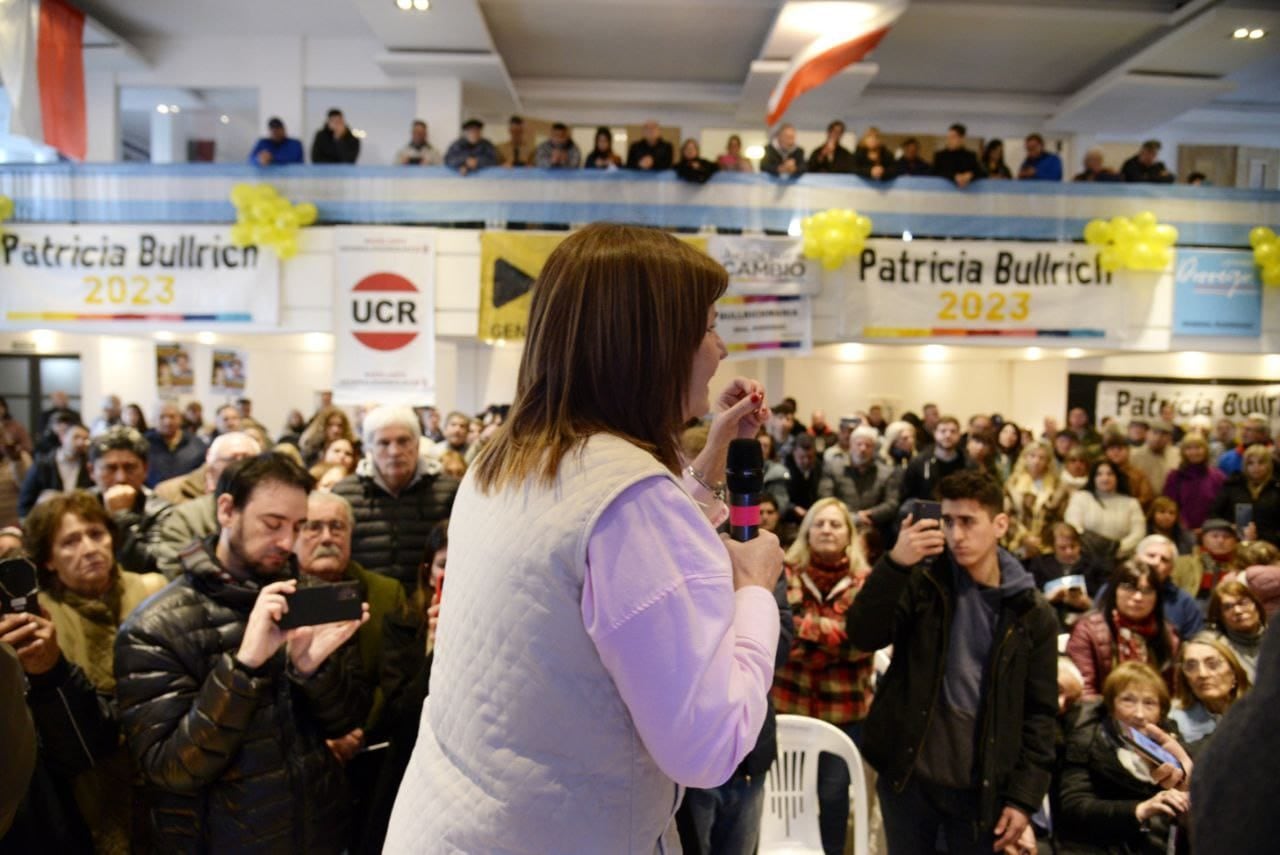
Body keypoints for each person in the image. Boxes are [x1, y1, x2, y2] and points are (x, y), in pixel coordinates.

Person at [383, 223, 785, 852]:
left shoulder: (507, 458)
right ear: (652, 345)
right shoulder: (630, 502)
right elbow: (709, 746)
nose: (721, 349)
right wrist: (755, 590)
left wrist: (707, 458)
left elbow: (605, 543)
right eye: (708, 326)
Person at [115, 453, 370, 852]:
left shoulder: (307, 596)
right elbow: (172, 769)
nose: (287, 542)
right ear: (227, 509)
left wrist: (312, 671)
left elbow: (348, 721)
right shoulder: (154, 628)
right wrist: (243, 668)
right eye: (272, 524)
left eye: (297, 526)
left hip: (317, 832)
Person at [846, 469, 1057, 855]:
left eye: (968, 522)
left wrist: (1023, 798)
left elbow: (1040, 715)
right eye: (948, 521)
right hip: (909, 780)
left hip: (981, 789)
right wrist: (894, 563)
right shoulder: (922, 580)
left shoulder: (1031, 611)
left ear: (1000, 525)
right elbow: (862, 635)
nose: (956, 535)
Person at [7, 492, 166, 853]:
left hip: (160, 777)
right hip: (87, 788)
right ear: (47, 560)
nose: (90, 548)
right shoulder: (41, 620)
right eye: (70, 542)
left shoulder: (153, 590)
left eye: (96, 534)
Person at [772, 498, 871, 855]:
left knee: (833, 804)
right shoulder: (783, 571)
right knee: (785, 801)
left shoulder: (866, 581)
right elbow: (778, 635)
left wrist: (805, 632)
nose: (827, 530)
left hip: (843, 713)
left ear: (849, 534)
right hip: (789, 706)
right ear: (807, 531)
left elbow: (860, 643)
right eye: (820, 523)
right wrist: (834, 636)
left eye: (835, 524)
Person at [1056, 662, 1193, 854]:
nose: (1139, 714)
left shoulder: (1171, 743)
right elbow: (1074, 805)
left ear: (1161, 712)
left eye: (1149, 703)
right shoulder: (1087, 739)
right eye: (1128, 701)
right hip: (1099, 845)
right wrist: (1139, 809)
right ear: (1111, 706)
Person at [331, 406, 458, 594]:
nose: (394, 451)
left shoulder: (448, 492)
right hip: (368, 608)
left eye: (403, 441)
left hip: (429, 606)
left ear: (417, 444)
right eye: (383, 443)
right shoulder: (344, 494)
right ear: (369, 449)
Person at [152, 431, 261, 578]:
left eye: (248, 460)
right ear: (211, 465)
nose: (241, 467)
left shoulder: (270, 509)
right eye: (232, 460)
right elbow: (174, 567)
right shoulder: (183, 511)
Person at [1067, 560, 1180, 696]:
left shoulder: (1167, 633)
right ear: (1114, 591)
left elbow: (1173, 691)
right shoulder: (1088, 630)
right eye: (1130, 588)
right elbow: (1085, 691)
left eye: (1147, 591)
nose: (1138, 597)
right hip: (1101, 712)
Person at [87, 426, 173, 576]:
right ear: (91, 471)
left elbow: (151, 566)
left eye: (130, 468)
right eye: (110, 468)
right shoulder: (79, 507)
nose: (121, 478)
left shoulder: (161, 510)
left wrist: (121, 517)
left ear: (145, 469)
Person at [1169, 632, 1250, 750]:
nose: (1202, 674)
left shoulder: (1258, 710)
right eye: (1191, 666)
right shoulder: (1175, 720)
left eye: (1213, 664)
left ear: (1233, 672)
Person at [819, 426, 899, 536]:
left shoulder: (887, 472)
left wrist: (869, 514)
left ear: (874, 449)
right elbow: (826, 499)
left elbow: (891, 504)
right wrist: (853, 517)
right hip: (839, 525)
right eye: (859, 444)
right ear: (850, 445)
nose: (863, 449)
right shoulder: (833, 467)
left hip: (873, 529)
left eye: (868, 445)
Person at [1027, 522, 1107, 630]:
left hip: (1087, 623)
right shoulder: (1040, 565)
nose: (1069, 552)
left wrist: (1088, 603)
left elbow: (1105, 604)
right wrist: (1047, 599)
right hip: (1050, 623)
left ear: (1079, 544)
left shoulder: (1094, 566)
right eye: (1062, 548)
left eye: (1073, 546)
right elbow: (1029, 600)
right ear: (1054, 547)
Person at [1064, 460, 1146, 565]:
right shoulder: (1080, 497)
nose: (1105, 478)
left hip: (1121, 560)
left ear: (1117, 477)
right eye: (1099, 474)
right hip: (1087, 559)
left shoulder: (1131, 503)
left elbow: (1138, 533)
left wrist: (1116, 550)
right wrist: (1096, 549)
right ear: (1093, 478)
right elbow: (1073, 527)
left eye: (1110, 474)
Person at [17, 418, 91, 519]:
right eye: (76, 437)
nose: (80, 442)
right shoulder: (42, 465)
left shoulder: (89, 466)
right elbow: (25, 504)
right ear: (63, 437)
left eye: (85, 439)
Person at [1212, 444, 1279, 546]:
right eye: (1250, 463)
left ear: (1269, 465)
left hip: (1270, 545)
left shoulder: (1276, 488)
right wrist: (1229, 527)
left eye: (1261, 463)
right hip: (1235, 542)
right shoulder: (1232, 485)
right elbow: (1214, 515)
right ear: (1244, 465)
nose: (1256, 467)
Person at [1162, 434, 1225, 531]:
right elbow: (1169, 505)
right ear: (1183, 452)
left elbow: (1221, 507)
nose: (1194, 452)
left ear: (1205, 450)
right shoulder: (1174, 476)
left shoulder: (1218, 476)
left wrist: (1207, 528)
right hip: (1181, 531)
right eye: (1189, 448)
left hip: (1211, 530)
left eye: (1198, 447)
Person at [1174, 518, 1242, 607]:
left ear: (1235, 542)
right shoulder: (1182, 563)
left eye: (1227, 537)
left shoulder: (1240, 566)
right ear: (1203, 539)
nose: (1221, 540)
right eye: (1215, 536)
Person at [1207, 579, 1266, 681]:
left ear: (1256, 605)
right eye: (1228, 607)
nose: (1237, 611)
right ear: (1220, 616)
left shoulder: (1275, 638)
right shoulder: (1216, 649)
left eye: (1243, 603)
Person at [900, 415, 966, 502]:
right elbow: (907, 494)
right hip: (927, 508)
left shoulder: (968, 463)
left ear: (959, 435)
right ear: (934, 433)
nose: (948, 435)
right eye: (943, 431)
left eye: (953, 431)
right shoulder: (919, 462)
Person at [143, 402, 205, 488]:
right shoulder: (143, 445)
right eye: (162, 417)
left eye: (172, 416)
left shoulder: (197, 444)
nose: (167, 422)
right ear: (153, 420)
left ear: (180, 419)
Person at [1104, 431, 1156, 513]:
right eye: (1111, 449)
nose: (1115, 452)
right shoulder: (1099, 473)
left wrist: (1126, 506)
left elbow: (1146, 498)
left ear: (1128, 451)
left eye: (1120, 449)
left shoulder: (1138, 474)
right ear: (1106, 452)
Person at [783, 433, 823, 523]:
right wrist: (793, 507)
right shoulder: (783, 468)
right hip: (790, 519)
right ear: (794, 453)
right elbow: (780, 496)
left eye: (810, 457)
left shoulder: (819, 466)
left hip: (815, 515)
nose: (806, 461)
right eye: (801, 457)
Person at [932, 122, 983, 187]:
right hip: (944, 192)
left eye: (953, 137)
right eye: (949, 137)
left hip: (967, 193)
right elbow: (935, 173)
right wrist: (954, 176)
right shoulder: (940, 155)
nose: (949, 140)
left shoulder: (970, 155)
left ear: (962, 139)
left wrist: (969, 175)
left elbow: (980, 172)